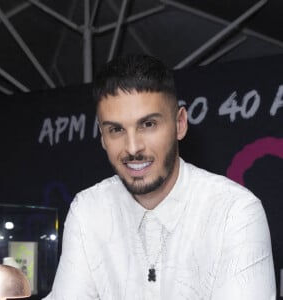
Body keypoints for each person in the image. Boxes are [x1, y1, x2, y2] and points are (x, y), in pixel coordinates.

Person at [43, 54, 276, 299]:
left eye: (148, 124)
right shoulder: (88, 209)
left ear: (180, 123)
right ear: (102, 136)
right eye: (116, 129)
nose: (132, 148)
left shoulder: (234, 211)